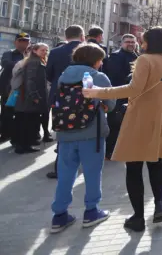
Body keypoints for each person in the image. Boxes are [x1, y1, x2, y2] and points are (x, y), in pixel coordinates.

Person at [83, 27, 162, 232]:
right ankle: (159, 204)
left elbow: (133, 89)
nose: (142, 44)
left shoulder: (145, 60)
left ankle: (138, 217)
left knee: (134, 166)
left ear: (150, 42)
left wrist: (98, 92)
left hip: (140, 118)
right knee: (156, 163)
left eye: (144, 40)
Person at [50, 43, 115, 233]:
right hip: (91, 133)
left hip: (65, 132)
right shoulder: (98, 77)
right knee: (92, 173)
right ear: (95, 60)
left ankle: (59, 215)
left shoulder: (64, 75)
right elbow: (110, 105)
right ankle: (91, 211)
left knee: (66, 174)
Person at [46, 26, 86, 142]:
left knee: (61, 122)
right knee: (81, 123)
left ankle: (61, 148)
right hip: (83, 93)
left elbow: (48, 73)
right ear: (82, 36)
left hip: (59, 92)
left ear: (66, 37)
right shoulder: (89, 52)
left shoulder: (55, 52)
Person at [104, 34, 138, 159]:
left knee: (127, 125)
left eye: (133, 42)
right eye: (128, 42)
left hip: (131, 97)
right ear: (122, 43)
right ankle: (109, 151)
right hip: (118, 96)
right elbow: (114, 77)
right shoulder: (116, 56)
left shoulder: (137, 56)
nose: (130, 44)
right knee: (114, 125)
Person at [14, 43, 50, 154]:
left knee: (27, 122)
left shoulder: (36, 60)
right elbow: (30, 81)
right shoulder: (34, 62)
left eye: (46, 50)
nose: (45, 52)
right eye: (42, 50)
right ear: (34, 51)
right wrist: (35, 96)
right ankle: (24, 146)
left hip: (29, 98)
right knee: (28, 123)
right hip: (29, 99)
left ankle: (24, 145)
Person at [0, 33, 31, 144]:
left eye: (26, 41)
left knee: (21, 114)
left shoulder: (31, 55)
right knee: (7, 113)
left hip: (24, 89)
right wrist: (25, 63)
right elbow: (6, 64)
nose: (24, 43)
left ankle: (16, 136)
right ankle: (5, 134)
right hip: (9, 89)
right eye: (21, 40)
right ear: (15, 42)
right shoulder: (9, 53)